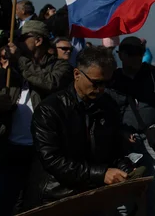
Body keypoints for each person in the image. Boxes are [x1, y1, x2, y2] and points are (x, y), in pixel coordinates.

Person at [0, 20, 73, 215]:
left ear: (38, 40)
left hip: (41, 153)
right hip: (11, 150)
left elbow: (49, 83)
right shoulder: (12, 69)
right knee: (4, 206)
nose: (17, 43)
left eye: (23, 39)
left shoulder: (60, 68)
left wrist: (21, 61)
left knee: (34, 208)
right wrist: (1, 108)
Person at [30, 46, 127, 206]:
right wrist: (101, 174)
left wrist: (126, 169)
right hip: (57, 196)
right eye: (96, 83)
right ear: (77, 74)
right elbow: (52, 160)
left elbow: (114, 150)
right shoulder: (50, 109)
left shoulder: (108, 106)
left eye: (106, 83)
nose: (101, 89)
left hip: (94, 194)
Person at [108, 37, 155, 216]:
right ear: (121, 55)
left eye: (139, 54)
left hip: (153, 140)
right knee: (124, 197)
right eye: (131, 54)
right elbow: (107, 111)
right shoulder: (114, 79)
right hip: (124, 145)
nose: (136, 58)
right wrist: (119, 132)